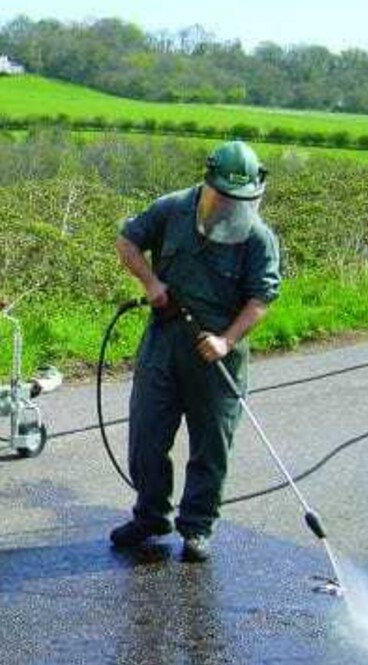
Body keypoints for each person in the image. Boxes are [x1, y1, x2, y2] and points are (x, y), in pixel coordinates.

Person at [111, 140, 282, 562]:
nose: (228, 206)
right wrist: (151, 284)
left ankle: (197, 527)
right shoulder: (171, 209)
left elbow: (261, 298)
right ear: (209, 185)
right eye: (222, 197)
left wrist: (227, 340)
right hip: (164, 343)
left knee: (211, 446)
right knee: (147, 436)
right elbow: (127, 242)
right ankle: (150, 516)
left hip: (216, 353)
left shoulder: (258, 238)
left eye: (237, 200)